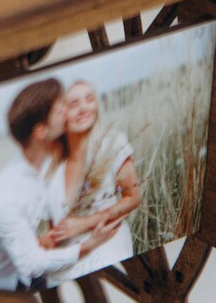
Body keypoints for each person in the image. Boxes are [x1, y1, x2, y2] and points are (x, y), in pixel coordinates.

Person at [0, 79, 120, 292]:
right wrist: (88, 246)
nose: (67, 111)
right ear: (40, 132)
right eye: (60, 110)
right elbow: (32, 264)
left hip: (22, 277)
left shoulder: (44, 164)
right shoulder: (6, 196)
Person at [41, 80, 141, 284]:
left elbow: (133, 197)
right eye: (74, 104)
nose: (84, 108)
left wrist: (85, 223)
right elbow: (56, 231)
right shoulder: (53, 170)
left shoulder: (112, 144)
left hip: (108, 248)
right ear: (61, 116)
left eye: (89, 99)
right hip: (67, 261)